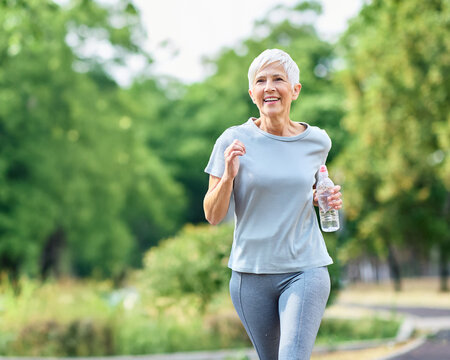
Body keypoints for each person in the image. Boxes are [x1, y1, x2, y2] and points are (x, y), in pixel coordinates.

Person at [203, 49, 343, 360]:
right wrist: (228, 177)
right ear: (252, 92)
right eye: (260, 81)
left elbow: (309, 188)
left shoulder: (318, 141)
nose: (269, 87)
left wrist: (323, 198)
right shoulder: (232, 140)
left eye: (278, 79)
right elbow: (213, 215)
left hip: (305, 268)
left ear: (295, 90)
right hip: (250, 275)